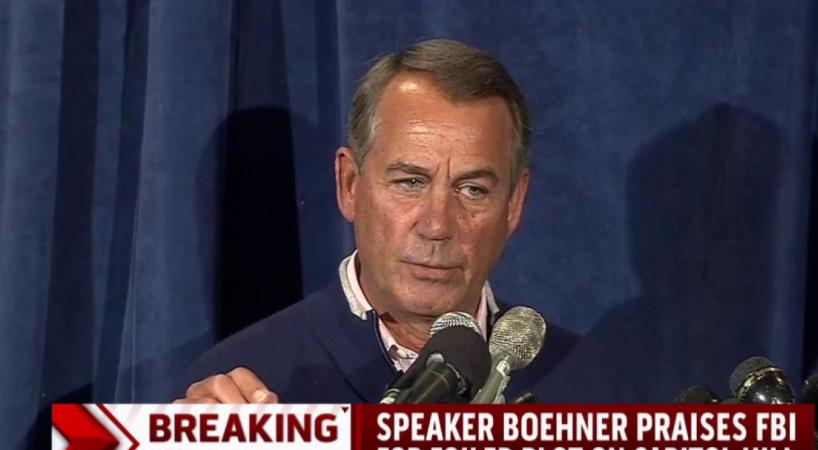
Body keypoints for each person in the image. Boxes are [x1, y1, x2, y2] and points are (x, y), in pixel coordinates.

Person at [176, 39, 637, 404]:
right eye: (410, 182)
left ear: (514, 204)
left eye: (473, 190)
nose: (437, 225)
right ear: (350, 185)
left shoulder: (590, 388)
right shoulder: (244, 388)